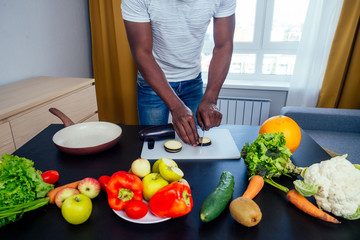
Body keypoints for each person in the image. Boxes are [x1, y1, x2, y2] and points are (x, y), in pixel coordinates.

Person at [121, 0, 236, 146]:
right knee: (152, 147)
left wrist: (211, 99)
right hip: (152, 84)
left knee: (195, 144)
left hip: (193, 80)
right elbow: (141, 53)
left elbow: (223, 45)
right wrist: (176, 106)